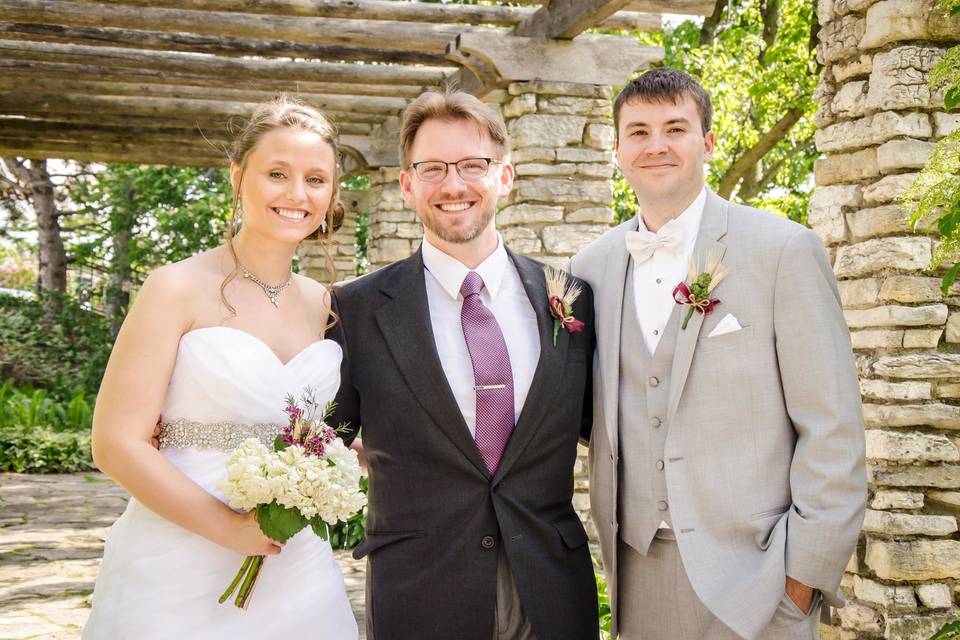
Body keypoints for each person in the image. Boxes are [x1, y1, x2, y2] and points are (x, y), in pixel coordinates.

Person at [569, 68, 867, 640]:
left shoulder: (783, 250)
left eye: (675, 128)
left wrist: (800, 577)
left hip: (759, 573)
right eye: (638, 132)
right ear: (617, 150)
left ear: (707, 142)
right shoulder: (589, 270)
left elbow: (832, 427)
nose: (655, 145)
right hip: (637, 568)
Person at [83, 97, 358, 639]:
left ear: (331, 194)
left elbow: (334, 430)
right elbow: (116, 442)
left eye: (316, 179)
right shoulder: (175, 287)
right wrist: (229, 529)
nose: (297, 194)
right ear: (238, 176)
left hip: (296, 561)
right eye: (277, 173)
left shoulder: (326, 303)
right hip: (178, 557)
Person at [329, 90, 598, 640]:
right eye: (432, 169)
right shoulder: (355, 309)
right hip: (420, 594)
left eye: (472, 165)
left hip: (551, 594)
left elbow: (614, 429)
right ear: (407, 185)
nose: (453, 185)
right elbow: (324, 440)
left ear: (505, 176)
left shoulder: (573, 298)